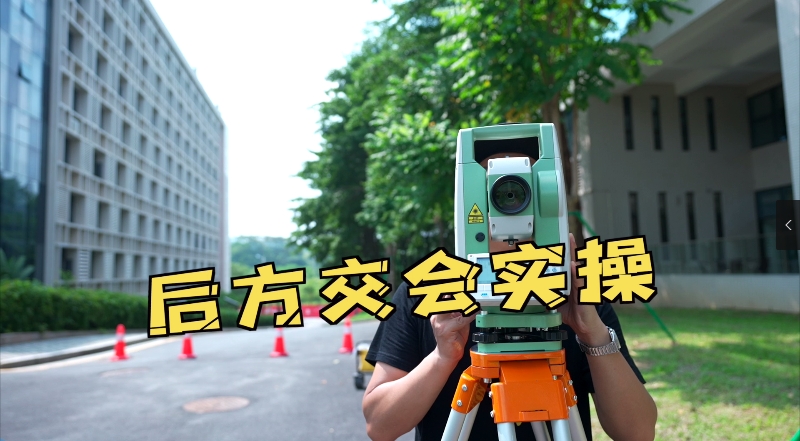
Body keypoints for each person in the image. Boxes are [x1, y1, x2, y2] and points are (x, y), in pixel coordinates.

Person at [362, 152, 657, 441]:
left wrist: (593, 335)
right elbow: (380, 426)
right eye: (496, 189)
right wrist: (441, 358)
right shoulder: (428, 291)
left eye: (521, 187)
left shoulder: (576, 294)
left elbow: (637, 433)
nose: (510, 201)